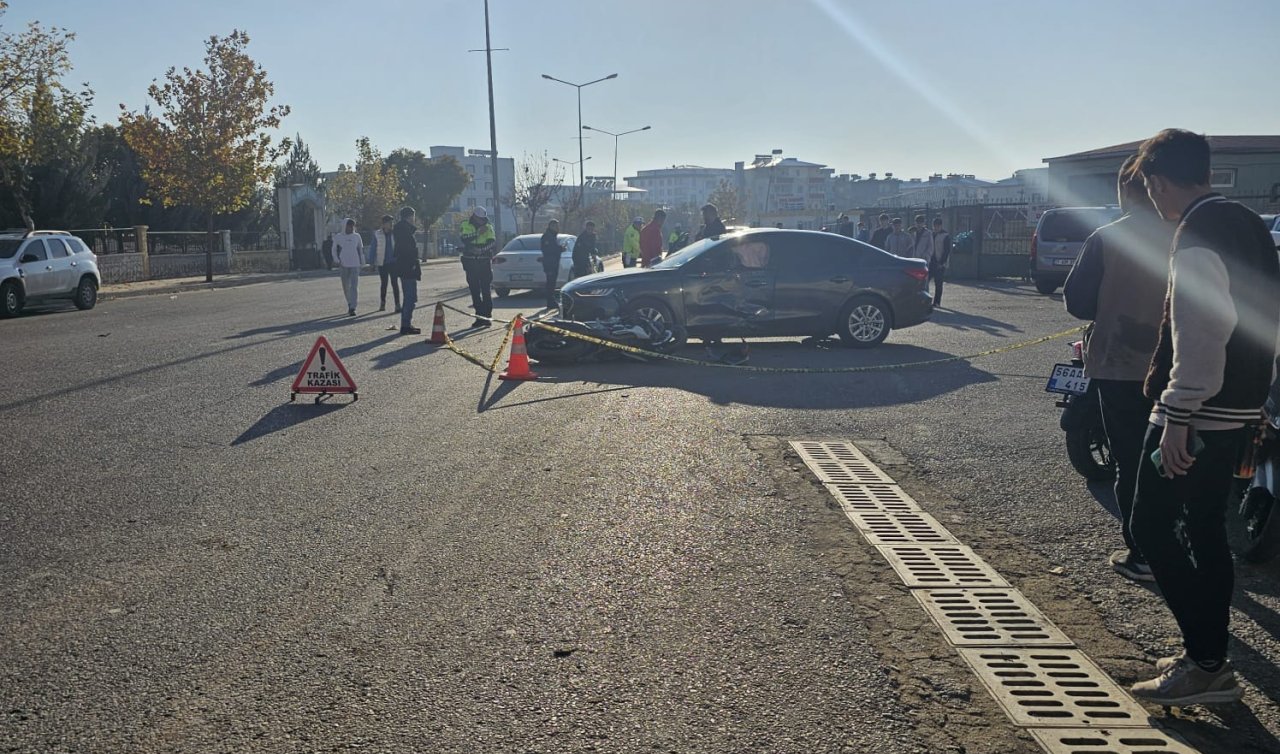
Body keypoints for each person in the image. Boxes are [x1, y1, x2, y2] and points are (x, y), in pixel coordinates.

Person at [1126, 129, 1280, 706]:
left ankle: (1207, 661)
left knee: (1150, 526)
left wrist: (1177, 415)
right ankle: (1206, 657)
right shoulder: (1247, 222)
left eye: (1149, 189)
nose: (1154, 202)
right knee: (1205, 530)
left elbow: (1202, 331)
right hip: (1237, 406)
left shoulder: (1196, 233)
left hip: (1200, 412)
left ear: (1158, 181)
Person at [1063, 156, 1173, 581]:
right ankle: (1181, 543)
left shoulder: (1108, 238)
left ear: (1127, 191)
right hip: (1179, 366)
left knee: (1131, 459)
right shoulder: (1185, 238)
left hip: (1120, 364)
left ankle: (1143, 552)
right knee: (1177, 457)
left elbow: (1078, 302)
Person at [459, 207, 498, 328]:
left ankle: (487, 316)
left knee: (486, 290)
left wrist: (480, 250)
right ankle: (479, 316)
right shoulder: (465, 224)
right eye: (481, 219)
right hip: (470, 262)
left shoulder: (488, 227)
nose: (483, 221)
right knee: (474, 290)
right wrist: (477, 234)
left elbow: (492, 242)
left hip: (484, 261)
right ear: (475, 217)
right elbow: (464, 239)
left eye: (484, 219)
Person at [391, 206, 422, 334]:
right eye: (413, 217)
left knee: (409, 297)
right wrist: (412, 264)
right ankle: (406, 325)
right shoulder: (404, 231)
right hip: (408, 267)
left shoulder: (402, 230)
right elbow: (407, 250)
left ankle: (406, 323)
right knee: (410, 297)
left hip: (405, 266)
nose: (414, 219)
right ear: (409, 217)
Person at [332, 218, 364, 316]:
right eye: (349, 226)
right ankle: (349, 302)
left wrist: (363, 262)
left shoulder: (357, 236)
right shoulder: (338, 237)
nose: (351, 228)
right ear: (344, 226)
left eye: (352, 226)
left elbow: (360, 250)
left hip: (355, 264)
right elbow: (333, 249)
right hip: (344, 264)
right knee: (346, 286)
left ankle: (353, 307)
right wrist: (337, 260)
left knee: (354, 286)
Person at [369, 214, 401, 313]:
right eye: (389, 222)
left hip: (394, 262)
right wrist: (371, 262)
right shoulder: (377, 234)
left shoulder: (395, 233)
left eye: (392, 222)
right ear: (383, 224)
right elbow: (373, 248)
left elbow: (399, 246)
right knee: (384, 284)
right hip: (382, 263)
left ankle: (397, 304)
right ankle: (383, 303)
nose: (391, 224)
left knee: (395, 283)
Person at [929, 217, 954, 307]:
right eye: (934, 226)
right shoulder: (931, 234)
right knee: (926, 282)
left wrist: (942, 262)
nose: (936, 227)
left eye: (937, 226)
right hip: (931, 261)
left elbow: (947, 250)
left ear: (940, 226)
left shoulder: (945, 235)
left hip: (940, 262)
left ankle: (937, 302)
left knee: (938, 283)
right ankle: (927, 301)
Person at [540, 219, 565, 310]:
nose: (558, 228)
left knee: (552, 283)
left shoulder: (553, 236)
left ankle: (551, 301)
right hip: (549, 263)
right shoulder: (547, 237)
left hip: (554, 262)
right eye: (556, 226)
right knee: (550, 283)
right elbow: (548, 250)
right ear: (551, 226)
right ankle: (550, 302)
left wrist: (560, 248)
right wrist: (559, 249)